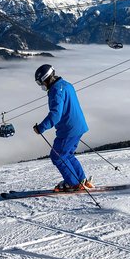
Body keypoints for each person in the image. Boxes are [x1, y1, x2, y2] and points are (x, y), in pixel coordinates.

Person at [33, 64, 94, 192]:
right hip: (78, 126)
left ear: (47, 78)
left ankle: (73, 184)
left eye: (41, 82)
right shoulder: (66, 84)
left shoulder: (55, 91)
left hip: (68, 129)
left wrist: (41, 128)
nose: (41, 86)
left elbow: (55, 115)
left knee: (57, 156)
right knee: (68, 155)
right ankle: (81, 180)